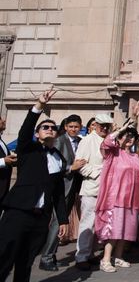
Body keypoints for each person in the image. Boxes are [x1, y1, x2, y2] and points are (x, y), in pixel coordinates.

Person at [0, 90, 68, 282]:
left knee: (26, 261)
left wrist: (62, 219)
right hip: (18, 212)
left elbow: (58, 192)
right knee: (5, 256)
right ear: (37, 134)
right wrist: (39, 106)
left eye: (53, 127)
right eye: (45, 127)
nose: (49, 129)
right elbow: (25, 129)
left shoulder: (59, 158)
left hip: (40, 218)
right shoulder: (27, 150)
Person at [94, 120, 139, 272]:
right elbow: (106, 143)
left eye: (132, 137)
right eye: (126, 136)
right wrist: (120, 129)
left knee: (126, 230)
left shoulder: (135, 156)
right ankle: (106, 259)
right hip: (116, 198)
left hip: (132, 198)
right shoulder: (113, 153)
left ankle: (119, 257)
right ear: (119, 138)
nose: (129, 139)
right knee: (114, 230)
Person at [39, 114, 86, 271]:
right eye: (70, 126)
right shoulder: (59, 140)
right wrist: (70, 168)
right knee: (57, 222)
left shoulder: (81, 141)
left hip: (73, 186)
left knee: (60, 222)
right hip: (60, 186)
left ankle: (51, 255)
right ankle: (46, 257)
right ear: (65, 127)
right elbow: (52, 164)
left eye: (76, 127)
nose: (73, 129)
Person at [75, 112, 113, 270]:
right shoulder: (87, 141)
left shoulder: (111, 140)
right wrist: (101, 171)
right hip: (92, 187)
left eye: (107, 126)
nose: (104, 128)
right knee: (88, 222)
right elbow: (80, 165)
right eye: (102, 125)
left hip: (108, 189)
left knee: (101, 224)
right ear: (95, 125)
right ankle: (81, 256)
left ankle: (91, 253)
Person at [0, 116, 17, 209]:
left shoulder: (1, 141)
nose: (4, 121)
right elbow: (3, 160)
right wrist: (3, 161)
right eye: (0, 119)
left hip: (3, 191)